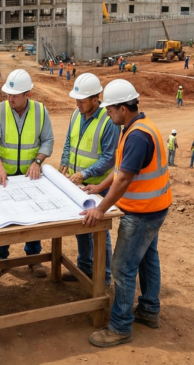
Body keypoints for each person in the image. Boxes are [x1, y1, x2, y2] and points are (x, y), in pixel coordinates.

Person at [81, 79, 171, 348]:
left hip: (142, 213)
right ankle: (149, 311)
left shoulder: (137, 136)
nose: (107, 115)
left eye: (110, 110)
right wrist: (99, 185)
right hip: (155, 207)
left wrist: (100, 209)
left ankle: (120, 327)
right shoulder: (136, 127)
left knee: (122, 267)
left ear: (123, 108)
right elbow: (120, 171)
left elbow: (124, 181)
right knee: (146, 260)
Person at [0, 69, 54, 279]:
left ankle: (33, 259)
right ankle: (1, 259)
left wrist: (37, 162)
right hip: (4, 176)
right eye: (8, 94)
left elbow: (48, 141)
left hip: (29, 177)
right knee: (3, 217)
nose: (10, 98)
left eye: (15, 94)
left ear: (28, 94)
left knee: (32, 217)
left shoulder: (41, 112)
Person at [60, 73, 117, 286]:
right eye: (76, 100)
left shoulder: (108, 121)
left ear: (96, 99)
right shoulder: (76, 114)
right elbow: (69, 141)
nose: (78, 104)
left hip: (97, 185)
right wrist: (64, 162)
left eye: (82, 101)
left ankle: (104, 276)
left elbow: (109, 158)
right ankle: (84, 267)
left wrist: (84, 174)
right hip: (77, 184)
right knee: (81, 225)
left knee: (100, 230)